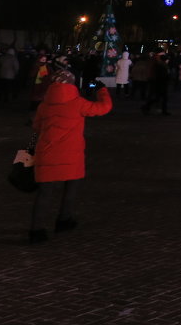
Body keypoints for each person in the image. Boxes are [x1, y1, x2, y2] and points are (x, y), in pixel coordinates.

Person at [27, 66, 113, 243]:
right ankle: (64, 219)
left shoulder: (44, 105)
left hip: (47, 153)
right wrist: (101, 90)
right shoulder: (78, 103)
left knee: (44, 193)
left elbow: (36, 127)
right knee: (71, 188)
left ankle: (36, 231)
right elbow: (104, 107)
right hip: (71, 154)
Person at [141, 50, 171, 115]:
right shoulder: (161, 65)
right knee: (161, 97)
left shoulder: (158, 63)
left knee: (159, 97)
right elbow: (162, 75)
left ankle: (147, 106)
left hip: (158, 83)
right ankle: (148, 107)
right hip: (160, 83)